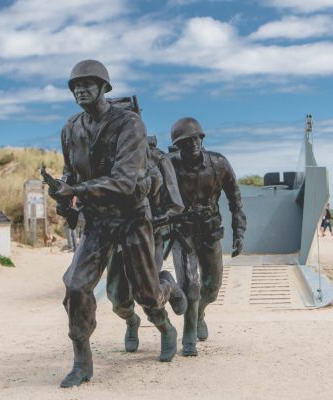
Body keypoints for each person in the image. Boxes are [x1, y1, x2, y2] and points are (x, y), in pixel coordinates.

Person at [48, 59, 187, 388]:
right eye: (75, 86)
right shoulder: (71, 128)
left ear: (104, 88)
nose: (80, 89)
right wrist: (63, 194)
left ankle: (167, 304)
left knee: (148, 295)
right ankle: (82, 361)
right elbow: (72, 173)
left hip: (132, 217)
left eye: (87, 84)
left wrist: (77, 190)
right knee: (76, 285)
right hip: (97, 221)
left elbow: (125, 181)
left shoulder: (129, 125)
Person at [167, 117, 246, 356]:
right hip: (183, 233)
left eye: (196, 138)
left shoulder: (218, 163)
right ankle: (188, 332)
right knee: (190, 285)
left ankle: (199, 313)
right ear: (177, 146)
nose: (193, 144)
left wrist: (239, 231)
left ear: (202, 138)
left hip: (210, 231)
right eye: (185, 141)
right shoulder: (168, 165)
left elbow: (235, 199)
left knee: (211, 288)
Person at [106, 135, 185, 353]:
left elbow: (176, 205)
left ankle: (165, 327)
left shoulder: (156, 159)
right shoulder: (106, 158)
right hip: (118, 236)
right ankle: (132, 321)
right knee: (117, 298)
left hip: (149, 236)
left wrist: (151, 222)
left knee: (147, 292)